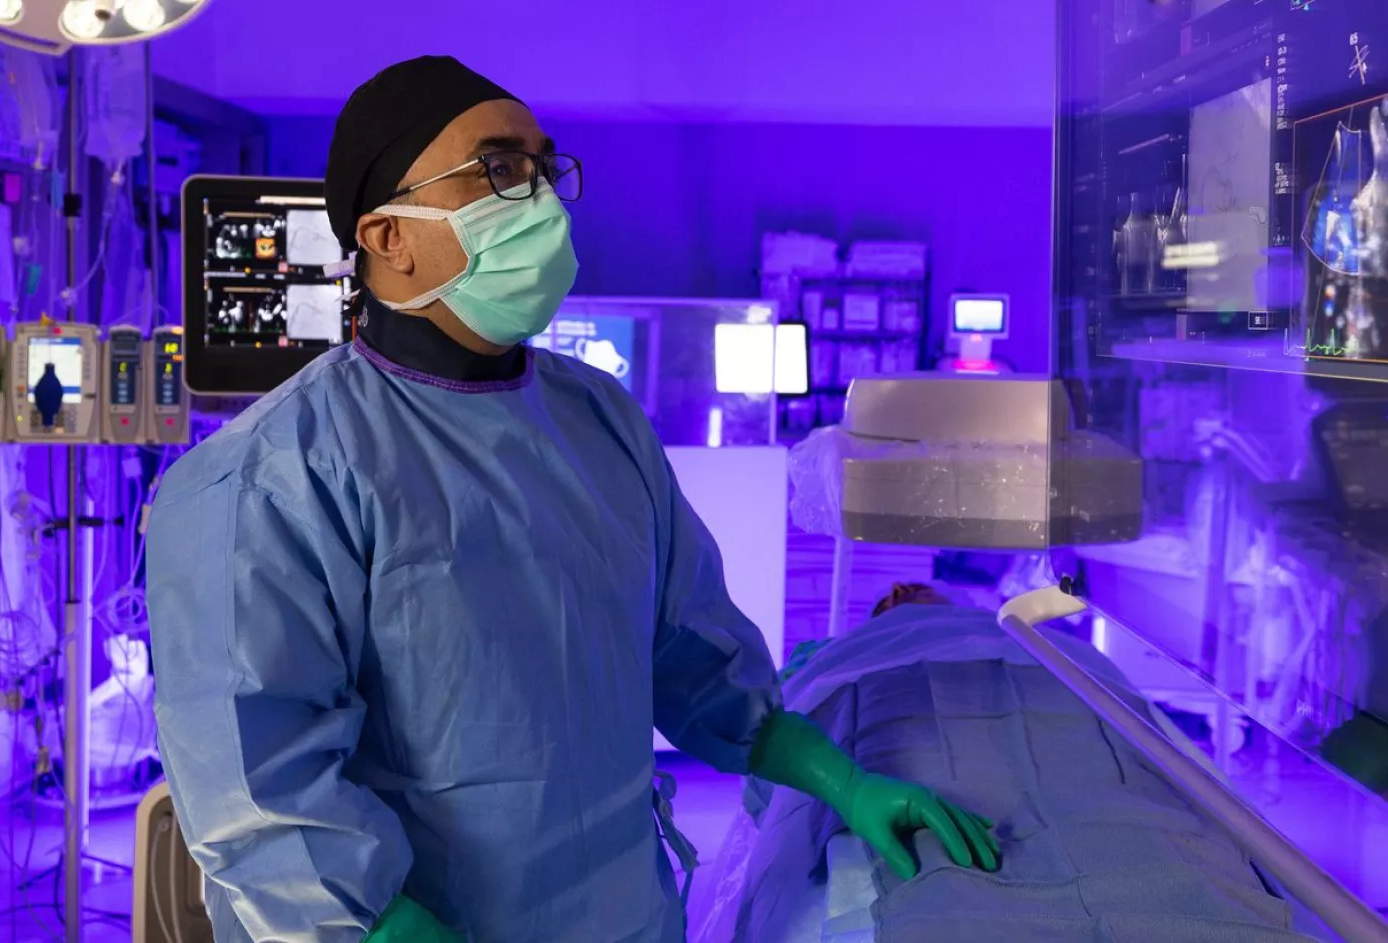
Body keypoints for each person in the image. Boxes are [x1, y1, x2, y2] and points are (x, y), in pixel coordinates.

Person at [147, 56, 997, 943]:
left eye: (544, 168)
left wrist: (844, 782)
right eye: (499, 168)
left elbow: (698, 663)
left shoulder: (599, 422)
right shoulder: (272, 476)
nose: (542, 200)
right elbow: (262, 801)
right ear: (386, 237)